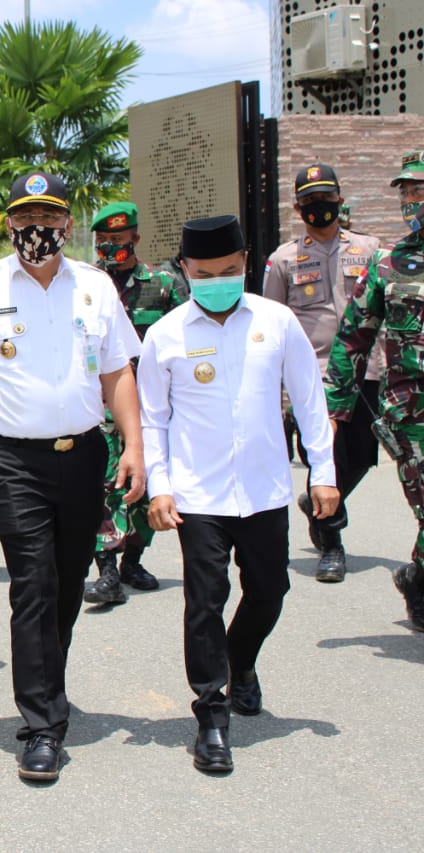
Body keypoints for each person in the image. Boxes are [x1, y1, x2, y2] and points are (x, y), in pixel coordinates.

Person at [0, 171, 144, 782]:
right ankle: (41, 725)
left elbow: (117, 374)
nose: (39, 231)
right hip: (11, 462)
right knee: (33, 583)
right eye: (26, 219)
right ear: (9, 226)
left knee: (70, 581)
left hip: (82, 456)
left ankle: (48, 678)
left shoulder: (97, 288)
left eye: (50, 219)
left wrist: (134, 444)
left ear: (67, 224)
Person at [140, 214, 338, 773]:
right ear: (185, 270)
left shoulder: (276, 322)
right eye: (205, 273)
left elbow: (309, 398)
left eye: (229, 270)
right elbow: (154, 419)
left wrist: (322, 472)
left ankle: (241, 660)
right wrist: (161, 486)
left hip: (264, 489)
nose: (218, 280)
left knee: (270, 591)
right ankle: (211, 716)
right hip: (198, 496)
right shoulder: (166, 334)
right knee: (204, 602)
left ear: (246, 262)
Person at [263, 164, 382, 583]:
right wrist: (279, 394)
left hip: (367, 367)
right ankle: (331, 542)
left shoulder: (370, 250)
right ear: (298, 208)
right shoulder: (283, 260)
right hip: (313, 373)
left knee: (365, 455)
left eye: (326, 198)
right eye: (310, 201)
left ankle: (319, 500)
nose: (320, 207)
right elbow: (272, 325)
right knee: (326, 453)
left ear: (340, 198)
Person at [327, 149, 424, 630]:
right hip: (413, 417)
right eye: (407, 192)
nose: (412, 199)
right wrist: (336, 409)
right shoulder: (389, 265)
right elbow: (353, 338)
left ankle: (417, 577)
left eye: (419, 190)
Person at [83, 202, 184, 605]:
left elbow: (183, 338)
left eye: (119, 240)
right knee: (102, 486)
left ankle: (134, 560)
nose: (110, 248)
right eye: (104, 241)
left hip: (149, 405)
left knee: (144, 486)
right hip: (95, 405)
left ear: (136, 239)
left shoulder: (162, 284)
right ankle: (106, 570)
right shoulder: (87, 283)